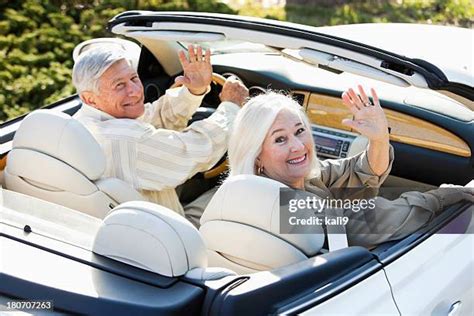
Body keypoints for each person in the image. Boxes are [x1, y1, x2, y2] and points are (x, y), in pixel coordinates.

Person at [225, 89, 474, 247]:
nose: (298, 146)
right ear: (256, 155)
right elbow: (378, 218)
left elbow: (358, 172)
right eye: (280, 139)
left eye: (300, 131)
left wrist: (378, 140)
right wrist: (444, 196)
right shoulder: (288, 209)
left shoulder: (283, 183)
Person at [72, 44, 249, 220]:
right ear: (89, 98)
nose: (135, 91)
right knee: (253, 190)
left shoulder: (83, 122)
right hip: (175, 239)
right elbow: (198, 149)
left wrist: (193, 91)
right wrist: (231, 107)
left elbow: (151, 118)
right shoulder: (124, 139)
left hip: (141, 228)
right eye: (119, 85)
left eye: (134, 78)